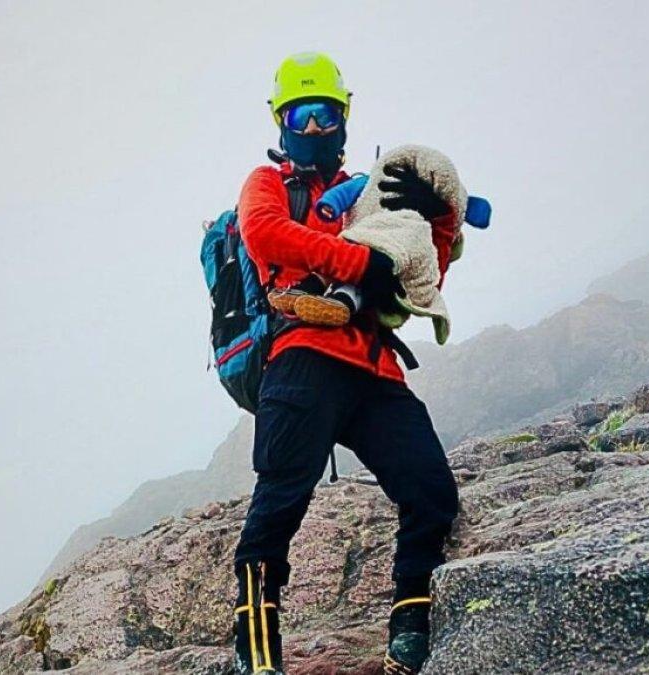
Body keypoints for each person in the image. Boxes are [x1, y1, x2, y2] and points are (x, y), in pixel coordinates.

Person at [231, 52, 461, 675]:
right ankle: (256, 653)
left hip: (375, 368)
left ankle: (410, 626)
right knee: (281, 500)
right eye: (300, 116)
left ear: (345, 116)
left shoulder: (370, 194)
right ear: (280, 122)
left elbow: (420, 276)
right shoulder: (267, 183)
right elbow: (264, 234)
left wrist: (438, 219)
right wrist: (363, 264)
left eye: (324, 114)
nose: (313, 128)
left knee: (431, 491)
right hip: (301, 357)